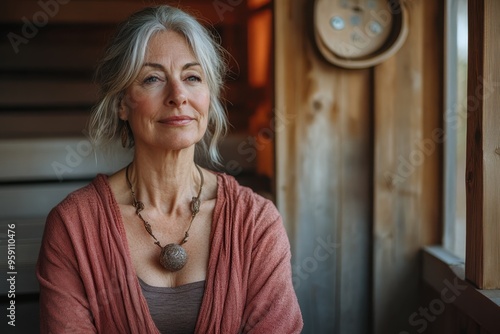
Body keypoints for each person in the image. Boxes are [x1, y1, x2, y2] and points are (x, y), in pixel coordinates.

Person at [36, 5, 303, 334]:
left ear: (209, 97)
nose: (178, 96)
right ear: (122, 103)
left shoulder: (255, 222)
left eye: (192, 77)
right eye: (152, 78)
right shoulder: (74, 226)